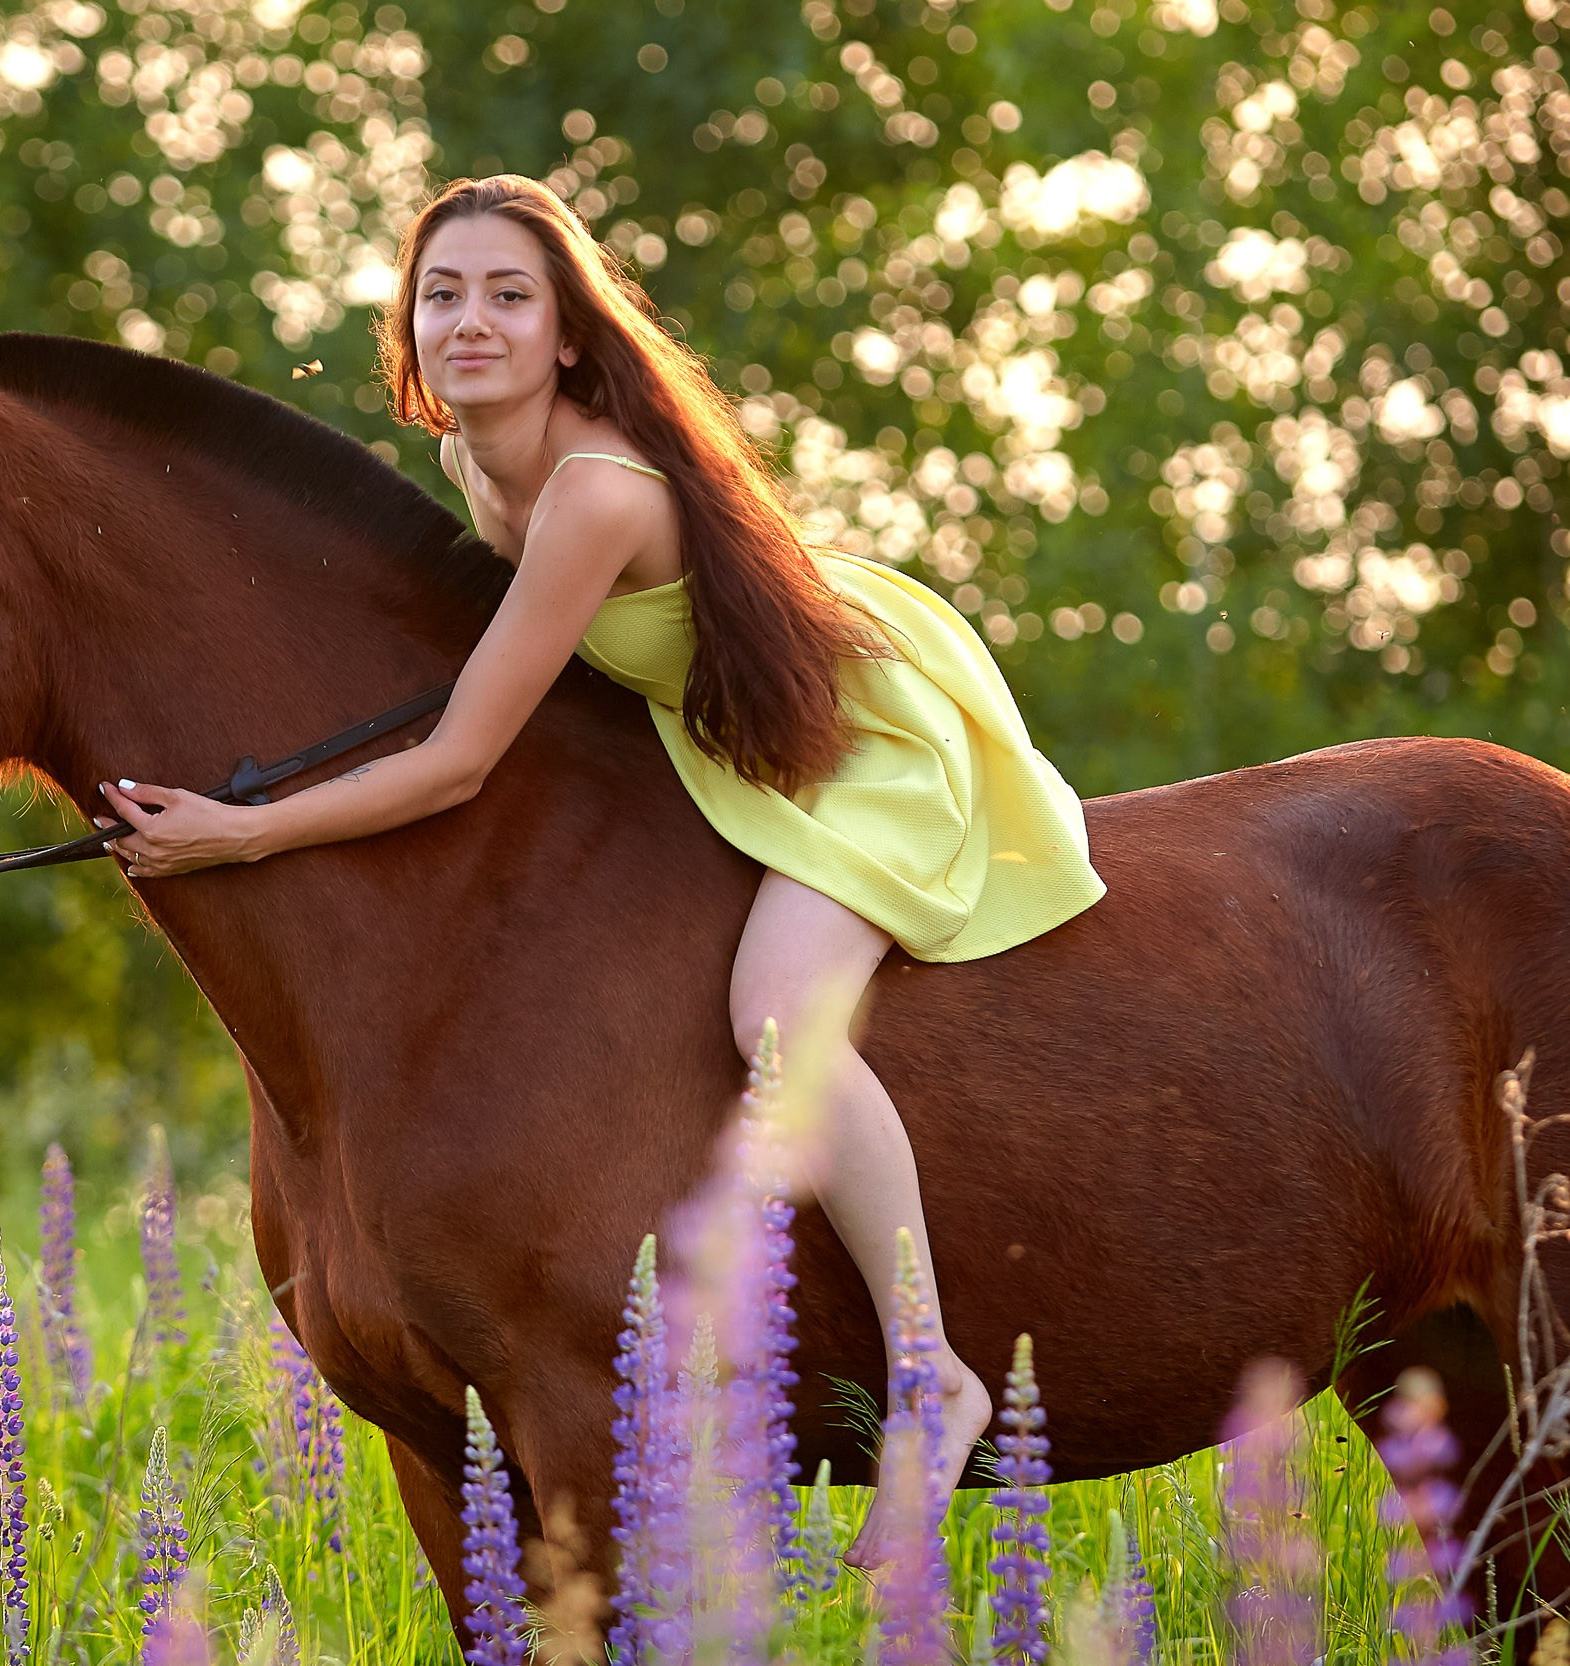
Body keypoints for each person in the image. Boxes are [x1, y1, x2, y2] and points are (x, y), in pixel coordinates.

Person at [92, 174, 1106, 1559]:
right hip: (717, 744)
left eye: (511, 296)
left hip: (849, 745)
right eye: (442, 293)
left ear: (570, 333)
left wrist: (241, 828)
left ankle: (934, 1370)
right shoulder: (475, 466)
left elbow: (459, 758)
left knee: (773, 1019)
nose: (470, 321)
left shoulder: (591, 492)